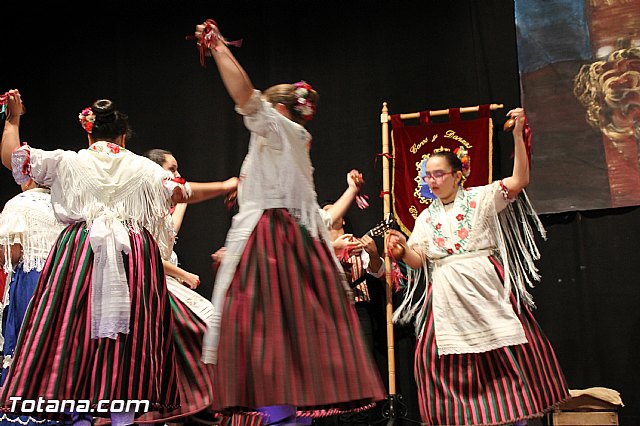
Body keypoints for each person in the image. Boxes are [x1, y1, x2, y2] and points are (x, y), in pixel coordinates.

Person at [192, 19, 386, 426]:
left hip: (273, 243)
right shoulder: (292, 143)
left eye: (265, 109)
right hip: (289, 241)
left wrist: (220, 49)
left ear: (277, 109)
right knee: (291, 348)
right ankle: (289, 416)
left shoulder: (279, 129)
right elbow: (315, 214)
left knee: (264, 339)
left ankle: (284, 417)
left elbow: (245, 96)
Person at [0, 90, 213, 425]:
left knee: (72, 329)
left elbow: (14, 157)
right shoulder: (141, 167)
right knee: (130, 337)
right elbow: (182, 191)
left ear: (89, 132)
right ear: (123, 136)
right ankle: (123, 415)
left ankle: (73, 405)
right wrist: (227, 184)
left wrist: (13, 119)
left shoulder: (70, 161)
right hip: (132, 254)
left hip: (81, 252)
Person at [387, 108, 570, 425]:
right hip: (446, 293)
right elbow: (420, 258)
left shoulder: (481, 197)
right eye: (427, 175)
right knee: (434, 359)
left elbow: (520, 180)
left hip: (484, 285)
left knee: (504, 354)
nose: (432, 181)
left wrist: (516, 134)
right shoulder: (426, 217)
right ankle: (462, 417)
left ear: (458, 174)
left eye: (439, 174)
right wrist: (403, 251)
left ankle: (516, 416)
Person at [134, 147, 237, 425]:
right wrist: (185, 274)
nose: (178, 174)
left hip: (164, 283)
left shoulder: (159, 211)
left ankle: (193, 402)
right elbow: (150, 253)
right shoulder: (141, 207)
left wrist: (183, 198)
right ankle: (199, 400)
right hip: (152, 286)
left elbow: (169, 232)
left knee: (209, 327)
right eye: (172, 169)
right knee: (206, 325)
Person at [0, 179, 66, 426]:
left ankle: (25, 412)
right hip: (65, 280)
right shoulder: (66, 204)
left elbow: (12, 253)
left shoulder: (19, 204)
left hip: (33, 281)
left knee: (27, 345)